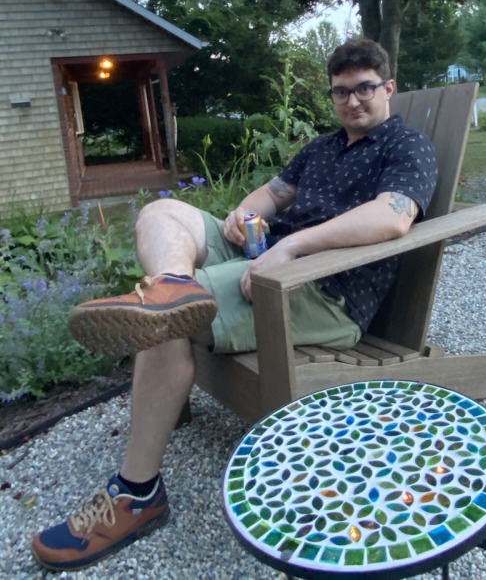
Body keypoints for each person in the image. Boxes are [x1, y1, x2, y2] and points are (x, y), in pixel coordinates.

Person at [31, 38, 437, 572]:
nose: (353, 101)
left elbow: (392, 217)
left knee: (162, 327)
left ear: (388, 88)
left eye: (364, 88)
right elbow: (271, 195)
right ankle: (174, 288)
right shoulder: (321, 148)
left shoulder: (406, 146)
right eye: (341, 92)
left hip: (322, 289)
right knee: (162, 215)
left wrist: (289, 249)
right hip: (269, 261)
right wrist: (245, 215)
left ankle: (138, 493)